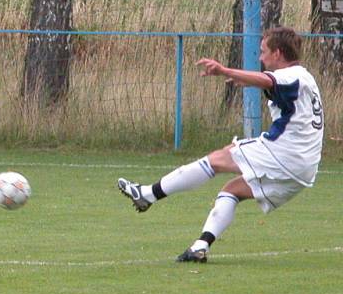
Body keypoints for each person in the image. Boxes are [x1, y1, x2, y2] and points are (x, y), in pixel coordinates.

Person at [117, 27, 324, 262]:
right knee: (231, 191)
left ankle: (148, 194)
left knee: (215, 160)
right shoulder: (304, 77)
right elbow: (273, 87)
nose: (260, 57)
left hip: (285, 152)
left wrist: (224, 70)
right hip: (304, 168)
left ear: (277, 53)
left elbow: (267, 79)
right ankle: (200, 247)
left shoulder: (290, 76)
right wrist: (251, 82)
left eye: (263, 51)